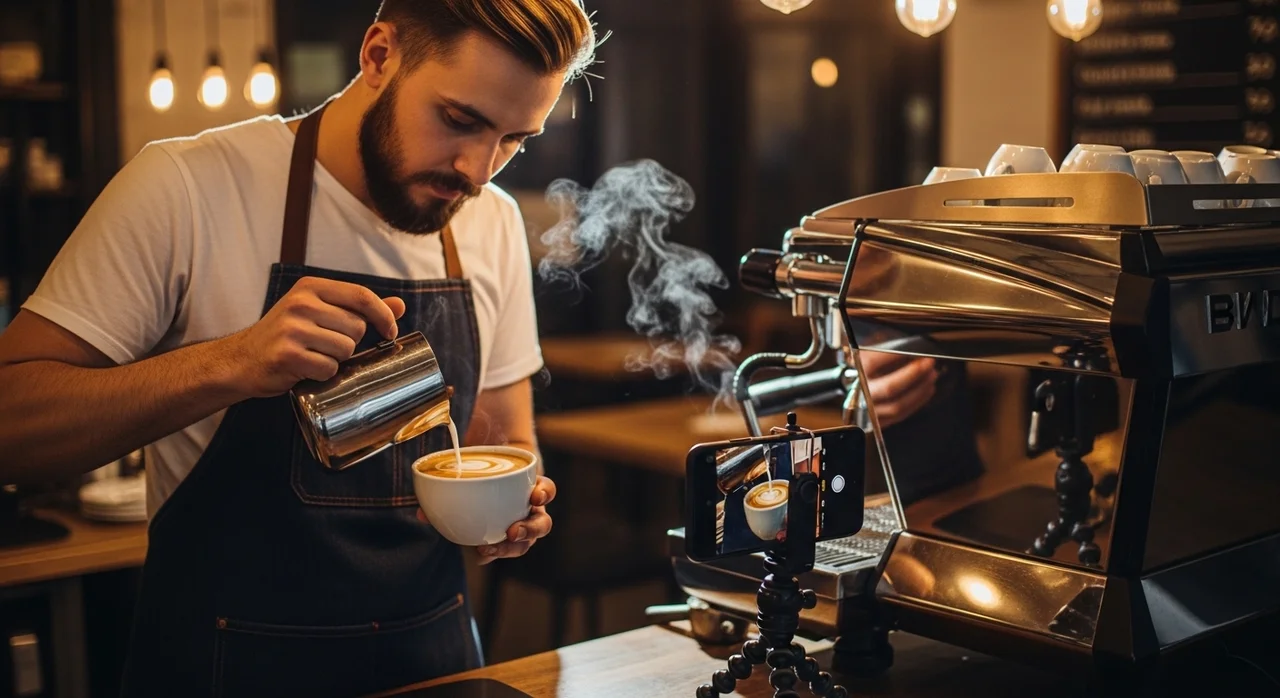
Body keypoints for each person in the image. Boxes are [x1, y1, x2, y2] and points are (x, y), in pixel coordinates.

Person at [0, 1, 598, 695]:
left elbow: (502, 433)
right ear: (379, 54)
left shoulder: (489, 222)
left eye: (514, 140)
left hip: (434, 664)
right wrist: (232, 363)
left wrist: (516, 505)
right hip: (227, 668)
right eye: (459, 120)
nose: (477, 169)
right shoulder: (188, 187)